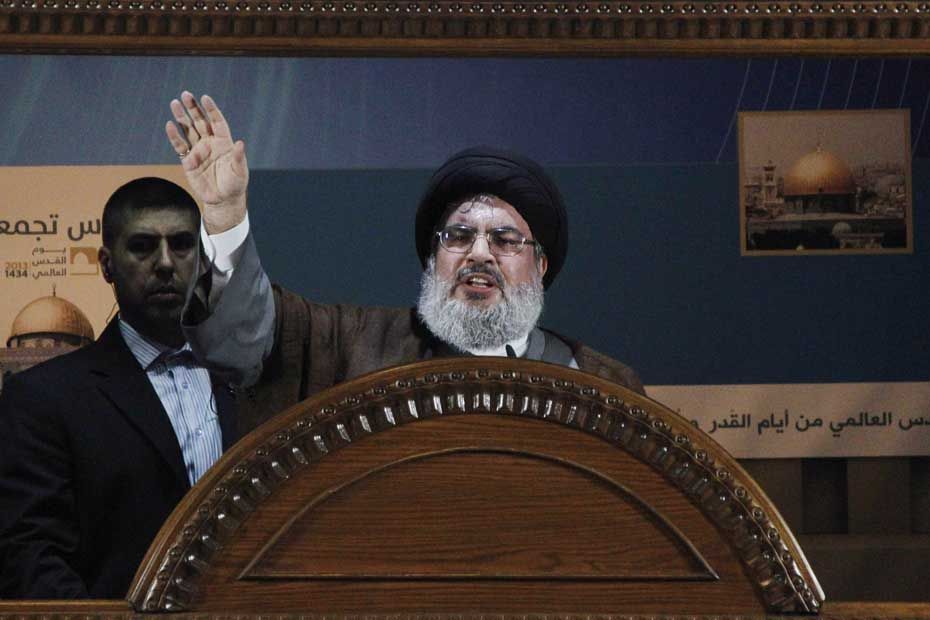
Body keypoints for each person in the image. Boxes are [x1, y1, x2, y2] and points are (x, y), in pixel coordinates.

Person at [165, 92, 643, 434]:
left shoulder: (602, 385)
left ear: (540, 266)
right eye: (459, 236)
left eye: (504, 240)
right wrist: (225, 216)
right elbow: (240, 344)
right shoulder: (349, 346)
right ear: (433, 257)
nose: (479, 254)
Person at [0, 178, 238, 599]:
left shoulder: (251, 380)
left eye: (182, 245)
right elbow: (30, 554)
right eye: (143, 247)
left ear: (203, 261)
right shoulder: (42, 399)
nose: (165, 263)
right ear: (107, 265)